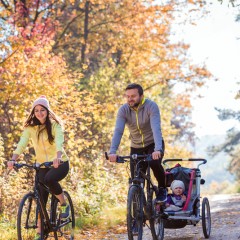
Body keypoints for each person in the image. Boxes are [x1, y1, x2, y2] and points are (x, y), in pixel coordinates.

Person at [7, 96, 69, 240]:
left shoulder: (55, 125)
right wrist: (13, 159)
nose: (39, 113)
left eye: (42, 110)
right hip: (42, 165)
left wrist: (58, 156)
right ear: (33, 113)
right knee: (40, 197)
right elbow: (22, 144)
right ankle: (40, 232)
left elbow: (59, 141)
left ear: (47, 111)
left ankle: (63, 203)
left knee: (49, 179)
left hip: (60, 163)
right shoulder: (30, 128)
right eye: (36, 110)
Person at [108, 83, 167, 202]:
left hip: (153, 144)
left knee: (155, 164)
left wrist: (158, 149)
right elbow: (118, 131)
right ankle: (139, 209)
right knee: (136, 178)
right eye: (128, 96)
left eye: (133, 96)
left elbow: (156, 128)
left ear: (141, 95)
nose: (130, 99)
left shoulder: (151, 106)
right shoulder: (123, 110)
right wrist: (112, 151)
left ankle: (162, 188)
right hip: (136, 146)